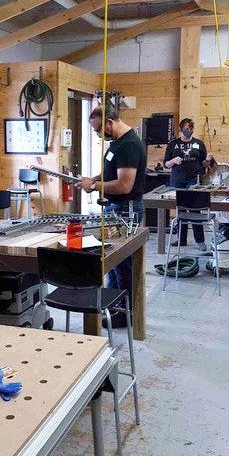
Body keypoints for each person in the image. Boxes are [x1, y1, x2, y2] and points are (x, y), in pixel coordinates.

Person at [77, 104, 146, 328]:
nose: (99, 134)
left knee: (122, 263)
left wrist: (95, 186)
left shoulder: (129, 145)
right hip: (115, 208)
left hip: (126, 209)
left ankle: (125, 313)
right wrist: (93, 179)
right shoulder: (117, 143)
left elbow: (125, 185)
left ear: (109, 122)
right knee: (113, 263)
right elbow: (110, 172)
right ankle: (113, 307)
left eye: (99, 129)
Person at [163, 118, 214, 251]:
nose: (189, 131)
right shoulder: (173, 145)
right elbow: (166, 164)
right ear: (181, 129)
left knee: (195, 210)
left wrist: (208, 160)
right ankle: (181, 239)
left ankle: (200, 241)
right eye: (186, 128)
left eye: (191, 128)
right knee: (181, 210)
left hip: (194, 180)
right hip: (178, 180)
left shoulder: (199, 144)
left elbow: (204, 164)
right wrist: (174, 160)